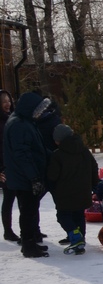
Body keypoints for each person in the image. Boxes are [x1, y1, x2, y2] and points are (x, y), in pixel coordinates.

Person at [2, 91, 52, 257]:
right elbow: (22, 154)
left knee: (30, 209)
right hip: (24, 177)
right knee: (28, 211)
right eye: (37, 109)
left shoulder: (25, 121)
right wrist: (34, 177)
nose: (39, 113)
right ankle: (28, 245)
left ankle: (30, 242)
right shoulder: (18, 124)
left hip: (25, 176)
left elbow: (36, 147)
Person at [46, 123, 97, 254]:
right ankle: (80, 238)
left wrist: (51, 186)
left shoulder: (57, 155)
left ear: (58, 140)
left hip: (64, 193)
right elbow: (94, 167)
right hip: (83, 191)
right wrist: (94, 183)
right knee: (79, 214)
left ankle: (75, 237)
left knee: (63, 215)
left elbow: (52, 175)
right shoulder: (84, 150)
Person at [0, 89, 16, 242]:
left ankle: (30, 230)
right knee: (9, 198)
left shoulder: (12, 118)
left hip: (15, 165)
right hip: (4, 168)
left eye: (8, 100)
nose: (7, 104)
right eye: (4, 101)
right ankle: (8, 230)